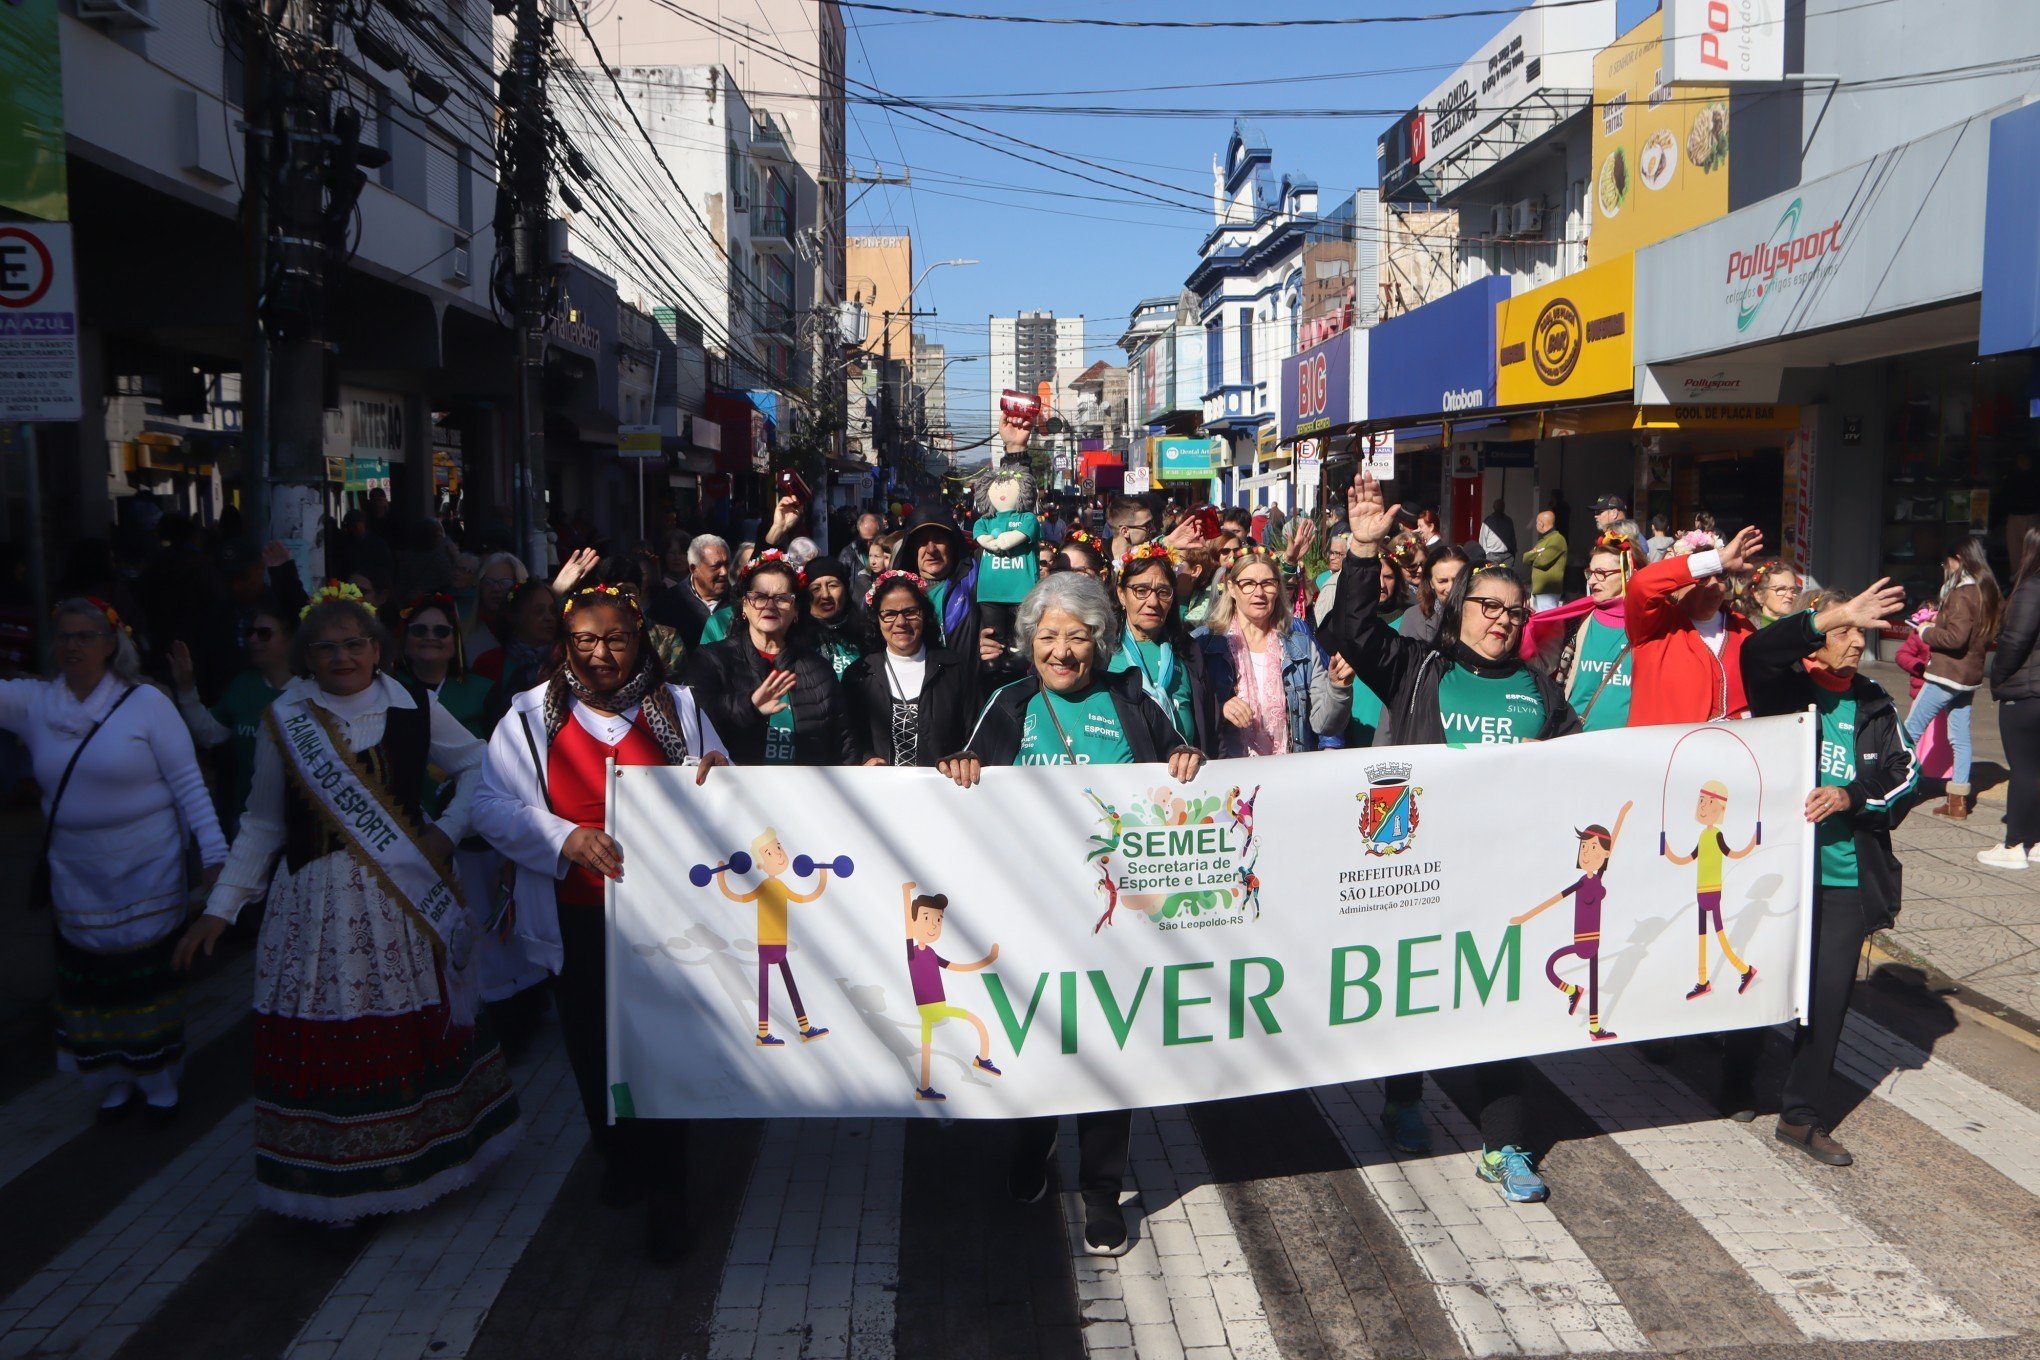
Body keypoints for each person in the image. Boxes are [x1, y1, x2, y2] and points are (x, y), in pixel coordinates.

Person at [176, 584, 520, 1222]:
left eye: (354, 644)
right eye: (326, 647)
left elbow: (482, 763)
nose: (341, 657)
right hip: (313, 910)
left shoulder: (412, 703)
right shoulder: (289, 717)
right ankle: (331, 1186)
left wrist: (446, 832)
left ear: (376, 649)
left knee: (406, 1032)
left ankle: (416, 1167)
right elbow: (261, 825)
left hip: (400, 906)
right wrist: (221, 909)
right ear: (307, 656)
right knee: (328, 1036)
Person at [1324, 472, 1578, 1201]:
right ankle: (1403, 1099)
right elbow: (1352, 632)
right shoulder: (1418, 668)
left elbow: (1580, 764)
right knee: (1416, 995)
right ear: (1460, 608)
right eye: (1488, 605)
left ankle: (1505, 1147)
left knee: (1502, 1011)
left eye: (1515, 611)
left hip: (1505, 876)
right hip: (1421, 871)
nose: (1501, 619)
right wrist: (1364, 552)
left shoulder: (1537, 688)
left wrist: (1555, 764)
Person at [939, 572, 1205, 1254]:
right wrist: (962, 769)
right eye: (1049, 636)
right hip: (1030, 918)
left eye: (1077, 637)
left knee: (1110, 1053)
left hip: (1119, 921)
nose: (1061, 650)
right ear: (1031, 642)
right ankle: (1033, 1142)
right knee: (1036, 1043)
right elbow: (967, 781)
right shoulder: (1010, 701)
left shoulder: (1131, 698)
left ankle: (1100, 1192)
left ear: (1101, 642)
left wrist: (1183, 757)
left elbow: (1179, 759)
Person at [472, 583, 727, 1260]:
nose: (601, 653)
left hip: (668, 919)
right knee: (591, 1052)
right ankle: (618, 1155)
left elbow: (724, 783)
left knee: (663, 1052)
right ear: (565, 644)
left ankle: (668, 1193)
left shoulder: (679, 706)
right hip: (576, 917)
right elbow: (489, 806)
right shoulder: (529, 718)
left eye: (616, 637)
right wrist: (562, 838)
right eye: (585, 640)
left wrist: (718, 775)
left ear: (641, 638)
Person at [4, 599, 227, 1121]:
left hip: (144, 866)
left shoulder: (146, 704)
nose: (73, 646)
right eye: (64, 636)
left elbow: (190, 784)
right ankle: (113, 1077)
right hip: (76, 872)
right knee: (89, 984)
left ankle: (158, 1081)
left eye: (86, 636)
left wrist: (215, 854)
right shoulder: (36, 703)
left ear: (111, 644)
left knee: (140, 980)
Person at [1728, 580, 1916, 1164]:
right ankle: (1735, 1081)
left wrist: (1853, 796)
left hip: (1842, 882)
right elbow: (1756, 651)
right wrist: (1827, 614)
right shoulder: (1785, 688)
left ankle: (1801, 1115)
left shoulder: (1874, 701)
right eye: (1844, 630)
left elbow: (1906, 776)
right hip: (1777, 876)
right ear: (1818, 636)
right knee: (1758, 982)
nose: (1856, 641)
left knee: (1829, 997)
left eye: (1861, 631)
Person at [686, 551, 857, 766]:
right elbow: (695, 724)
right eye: (759, 597)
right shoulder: (713, 660)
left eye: (782, 598)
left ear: (796, 611)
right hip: (735, 791)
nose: (770, 605)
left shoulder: (818, 670)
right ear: (744, 607)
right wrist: (749, 707)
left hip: (805, 794)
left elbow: (843, 745)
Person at [1203, 550, 1348, 757]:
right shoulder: (1206, 645)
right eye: (1248, 583)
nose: (1259, 593)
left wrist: (1338, 688)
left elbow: (1325, 724)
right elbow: (1189, 715)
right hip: (1229, 777)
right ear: (1231, 589)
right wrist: (1219, 708)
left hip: (1287, 774)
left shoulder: (1301, 646)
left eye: (1268, 583)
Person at [1625, 526, 1766, 727]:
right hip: (1667, 753)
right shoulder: (1653, 627)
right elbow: (1641, 585)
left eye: (1721, 575)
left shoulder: (1742, 628)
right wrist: (1720, 559)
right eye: (1702, 577)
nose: (1714, 584)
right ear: (1677, 584)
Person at [170, 604, 294, 834]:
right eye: (250, 633)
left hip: (299, 821)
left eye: (264, 633)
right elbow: (210, 734)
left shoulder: (313, 690)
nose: (254, 639)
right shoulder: (243, 685)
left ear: (289, 641)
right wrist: (186, 687)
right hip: (249, 818)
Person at [1905, 537, 2001, 819]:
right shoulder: (1987, 591)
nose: (1944, 567)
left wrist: (1925, 631)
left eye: (1946, 562)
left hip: (1946, 674)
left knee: (1909, 732)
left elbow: (1955, 638)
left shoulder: (1961, 592)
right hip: (1969, 676)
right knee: (1959, 737)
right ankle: (1958, 801)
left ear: (1958, 558)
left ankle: (1895, 789)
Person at [843, 571, 980, 768]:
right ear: (877, 619)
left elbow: (976, 736)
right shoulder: (858, 675)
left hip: (944, 791)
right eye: (889, 614)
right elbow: (848, 740)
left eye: (910, 612)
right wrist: (865, 759)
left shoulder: (954, 669)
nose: (901, 622)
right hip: (880, 792)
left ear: (924, 615)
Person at [1109, 544, 1232, 752]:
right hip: (1125, 780)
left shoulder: (1188, 651)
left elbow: (1212, 730)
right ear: (1121, 594)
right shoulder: (1103, 652)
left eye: (1163, 592)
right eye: (1141, 591)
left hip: (1185, 778)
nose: (1153, 602)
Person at [1523, 530, 1646, 732]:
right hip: (1576, 739)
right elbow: (1542, 667)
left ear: (1628, 573)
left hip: (1629, 746)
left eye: (1602, 574)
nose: (1591, 581)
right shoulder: (1575, 620)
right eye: (1590, 572)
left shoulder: (1652, 624)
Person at [1982, 529, 2040, 869]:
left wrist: (1999, 678)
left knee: (2023, 769)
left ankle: (2014, 844)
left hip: (2026, 692)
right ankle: (2035, 841)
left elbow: (2014, 641)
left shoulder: (2030, 588)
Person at [895, 508, 1003, 671]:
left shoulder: (976, 576)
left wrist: (996, 640)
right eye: (922, 542)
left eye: (938, 539)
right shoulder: (895, 593)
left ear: (952, 544)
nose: (931, 549)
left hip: (968, 687)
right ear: (912, 549)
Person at [473, 579, 558, 702]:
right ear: (512, 617)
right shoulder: (489, 662)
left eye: (552, 611)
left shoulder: (565, 660)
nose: (549, 617)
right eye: (539, 611)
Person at [648, 533, 732, 650]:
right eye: (716, 566)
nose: (724, 572)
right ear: (694, 569)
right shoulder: (666, 604)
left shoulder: (741, 603)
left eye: (727, 565)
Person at [802, 558, 865, 680]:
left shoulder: (864, 633)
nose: (825, 595)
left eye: (832, 585)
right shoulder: (796, 640)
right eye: (816, 588)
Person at [1398, 543, 1471, 644]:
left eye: (1457, 580)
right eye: (1442, 581)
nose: (1451, 588)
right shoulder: (1413, 617)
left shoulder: (1485, 615)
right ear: (1431, 583)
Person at [465, 551, 528, 656]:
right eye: (489, 582)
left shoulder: (533, 635)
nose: (496, 588)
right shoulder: (464, 633)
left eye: (505, 583)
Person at [1521, 510, 1567, 612]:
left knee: (1548, 622)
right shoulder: (1543, 541)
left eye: (1537, 522)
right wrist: (1538, 553)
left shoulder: (1557, 539)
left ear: (1541, 523)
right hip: (1538, 590)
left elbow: (1543, 561)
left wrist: (1534, 554)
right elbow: (1525, 558)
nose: (1536, 525)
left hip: (1548, 591)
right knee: (1538, 621)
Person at [1745, 561, 1803, 628]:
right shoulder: (1747, 631)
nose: (1790, 596)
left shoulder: (1801, 629)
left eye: (1793, 590)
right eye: (1781, 589)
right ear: (1759, 595)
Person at [837, 512, 884, 577]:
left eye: (872, 541)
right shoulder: (847, 554)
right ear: (859, 534)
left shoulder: (887, 550)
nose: (868, 544)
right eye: (865, 540)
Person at [1479, 498, 1518, 566]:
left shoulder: (1508, 520)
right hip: (1492, 556)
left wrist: (1513, 551)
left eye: (1502, 505)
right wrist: (1487, 553)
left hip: (1507, 556)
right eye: (1498, 505)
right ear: (1494, 507)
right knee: (1494, 576)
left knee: (1506, 576)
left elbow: (1512, 536)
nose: (1500, 507)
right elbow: (1482, 539)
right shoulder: (1488, 521)